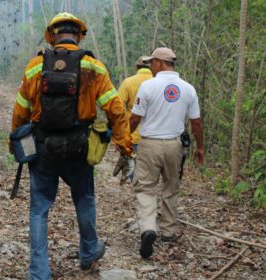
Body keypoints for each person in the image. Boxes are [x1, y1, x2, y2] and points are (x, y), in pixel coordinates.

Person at [11, 12, 134, 280]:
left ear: (53, 35)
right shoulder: (93, 66)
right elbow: (115, 109)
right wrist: (125, 147)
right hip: (80, 146)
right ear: (78, 35)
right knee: (84, 199)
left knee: (39, 209)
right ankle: (89, 251)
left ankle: (39, 272)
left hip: (43, 146)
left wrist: (16, 141)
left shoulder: (35, 66)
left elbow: (21, 110)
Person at [129, 47, 204, 259]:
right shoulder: (188, 89)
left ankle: (148, 228)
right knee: (171, 185)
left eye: (151, 62)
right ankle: (169, 231)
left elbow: (135, 119)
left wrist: (125, 137)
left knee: (145, 187)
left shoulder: (148, 86)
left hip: (150, 144)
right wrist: (200, 147)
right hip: (175, 145)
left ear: (160, 63)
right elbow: (196, 123)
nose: (149, 66)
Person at [117, 56, 153, 182]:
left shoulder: (128, 82)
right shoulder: (158, 82)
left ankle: (140, 196)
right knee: (150, 173)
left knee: (135, 172)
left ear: (136, 67)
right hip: (155, 136)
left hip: (133, 134)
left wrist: (120, 134)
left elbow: (118, 108)